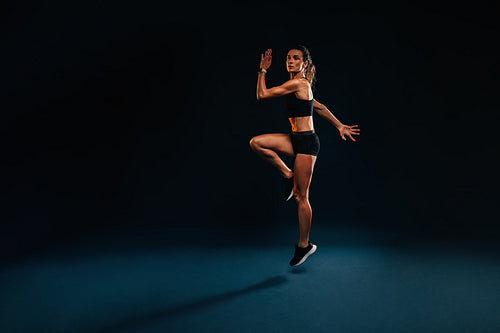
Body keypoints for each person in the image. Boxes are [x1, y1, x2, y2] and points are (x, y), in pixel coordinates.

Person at [249, 46, 360, 266]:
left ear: (304, 64)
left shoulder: (299, 83)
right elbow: (318, 107)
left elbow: (262, 94)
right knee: (257, 143)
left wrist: (262, 71)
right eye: (288, 58)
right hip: (294, 138)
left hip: (307, 143)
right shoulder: (300, 86)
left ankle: (304, 245)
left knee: (301, 196)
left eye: (296, 58)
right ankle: (288, 174)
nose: (290, 61)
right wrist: (339, 125)